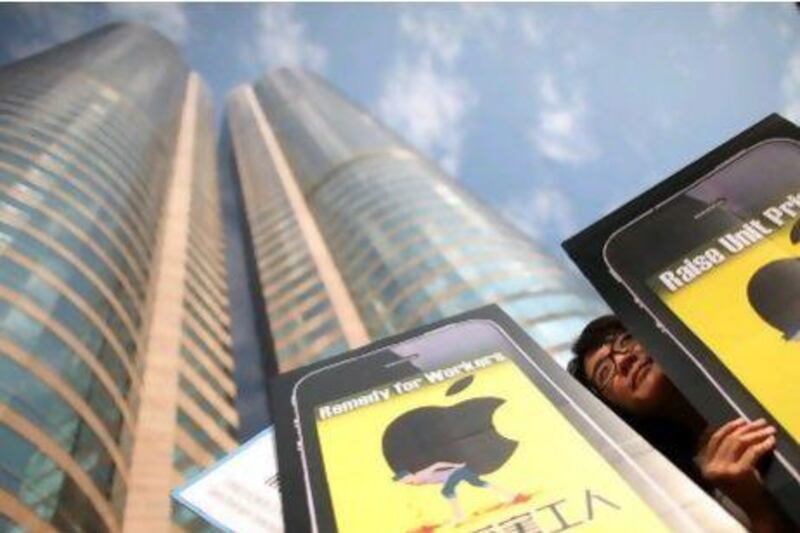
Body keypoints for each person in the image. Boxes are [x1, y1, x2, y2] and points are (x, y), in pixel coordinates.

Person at [567, 315, 790, 533]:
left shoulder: (764, 367)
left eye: (625, 340)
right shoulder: (687, 493)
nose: (623, 360)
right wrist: (758, 508)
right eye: (604, 372)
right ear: (617, 409)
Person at [393, 462, 517, 524]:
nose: (403, 483)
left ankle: (459, 515)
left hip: (456, 472)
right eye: (402, 482)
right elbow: (438, 478)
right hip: (461, 472)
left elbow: (438, 464)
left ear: (408, 477)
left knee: (447, 491)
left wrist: (456, 465)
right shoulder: (416, 482)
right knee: (478, 483)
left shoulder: (420, 475)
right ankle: (508, 495)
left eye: (403, 480)